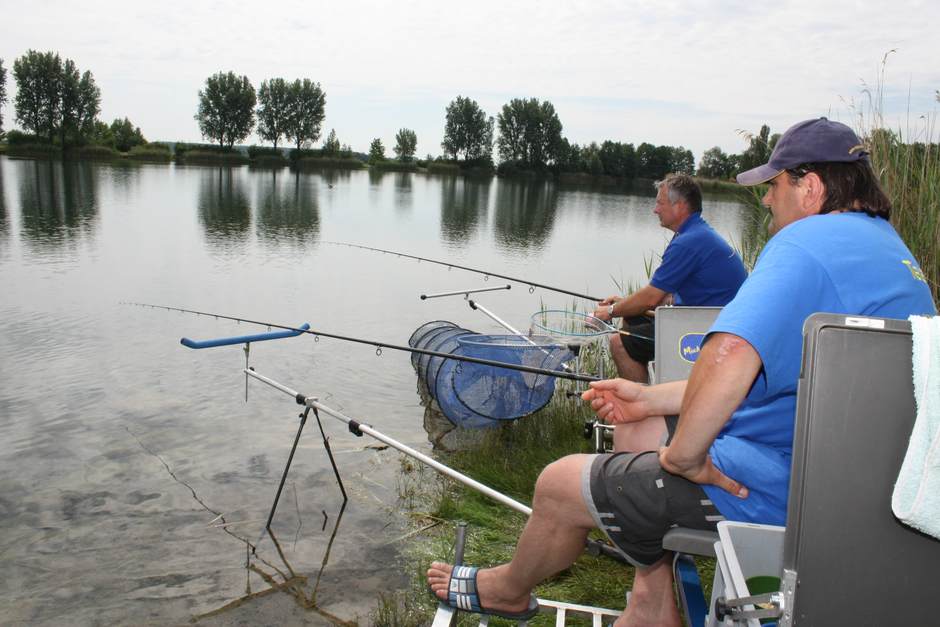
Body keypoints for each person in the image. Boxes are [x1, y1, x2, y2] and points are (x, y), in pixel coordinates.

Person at [427, 118, 936, 626]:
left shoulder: (807, 242)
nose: (765, 201)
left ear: (811, 186)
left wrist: (687, 457)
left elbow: (727, 352)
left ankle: (507, 592)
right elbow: (762, 377)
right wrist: (647, 399)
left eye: (773, 185)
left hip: (783, 491)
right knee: (638, 425)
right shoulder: (890, 251)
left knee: (558, 485)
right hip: (846, 488)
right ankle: (652, 604)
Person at [592, 174, 746, 383]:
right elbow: (664, 295)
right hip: (704, 318)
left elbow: (651, 297)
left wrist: (610, 311)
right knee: (631, 317)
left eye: (660, 203)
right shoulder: (696, 233)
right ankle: (650, 388)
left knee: (618, 343)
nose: (655, 210)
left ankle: (641, 408)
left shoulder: (688, 242)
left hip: (708, 331)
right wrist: (623, 304)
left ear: (680, 206)